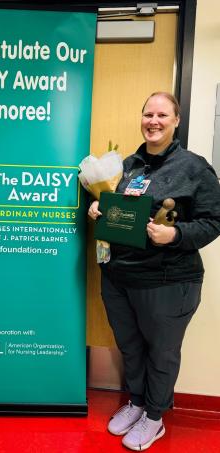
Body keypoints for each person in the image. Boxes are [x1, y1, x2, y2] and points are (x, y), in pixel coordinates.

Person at [88, 92, 220, 451]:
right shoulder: (128, 165)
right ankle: (137, 402)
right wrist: (99, 207)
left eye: (163, 115)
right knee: (130, 347)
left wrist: (175, 234)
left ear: (176, 121)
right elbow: (118, 209)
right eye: (148, 114)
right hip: (119, 278)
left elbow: (213, 222)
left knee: (161, 352)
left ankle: (155, 417)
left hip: (168, 281)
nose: (154, 121)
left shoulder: (195, 168)